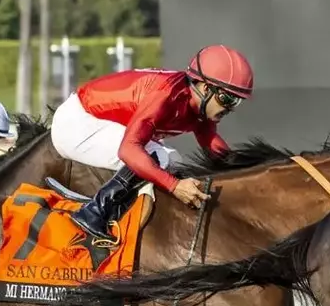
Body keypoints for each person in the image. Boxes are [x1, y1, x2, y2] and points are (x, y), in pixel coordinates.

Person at [49, 44, 254, 241]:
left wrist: (254, 171)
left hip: (97, 120)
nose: (230, 109)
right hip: (76, 123)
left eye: (236, 102)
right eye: (227, 99)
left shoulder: (198, 105)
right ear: (205, 88)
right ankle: (94, 212)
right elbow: (129, 150)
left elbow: (215, 148)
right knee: (161, 157)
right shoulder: (166, 96)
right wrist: (175, 186)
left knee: (174, 160)